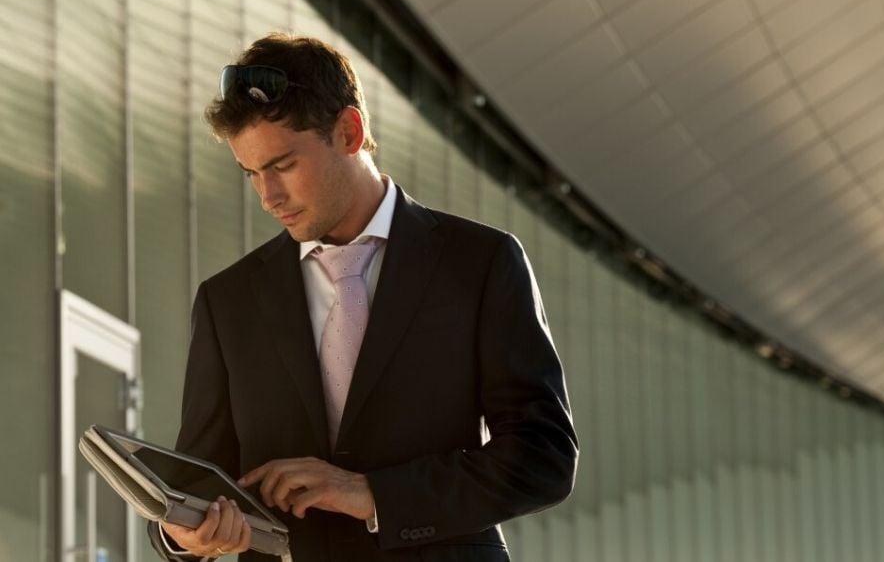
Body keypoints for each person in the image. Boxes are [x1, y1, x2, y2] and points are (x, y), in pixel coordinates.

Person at [147, 33, 578, 561]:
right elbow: (197, 479)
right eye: (252, 173)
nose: (268, 196)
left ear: (349, 132)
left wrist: (373, 493)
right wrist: (184, 535)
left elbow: (543, 458)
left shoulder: (481, 263)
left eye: (282, 166)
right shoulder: (227, 301)